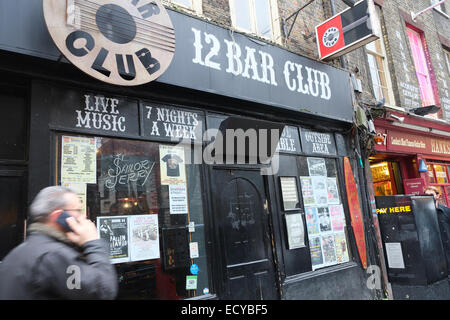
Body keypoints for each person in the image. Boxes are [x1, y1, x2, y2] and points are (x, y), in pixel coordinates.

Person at [0, 186, 118, 299]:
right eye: (78, 210)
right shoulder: (54, 256)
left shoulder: (23, 250)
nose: (84, 216)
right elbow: (103, 290)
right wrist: (93, 242)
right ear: (58, 216)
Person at [424, 186, 450, 274]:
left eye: (431, 195)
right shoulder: (422, 214)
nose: (429, 197)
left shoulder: (447, 211)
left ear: (438, 196)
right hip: (433, 255)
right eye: (426, 195)